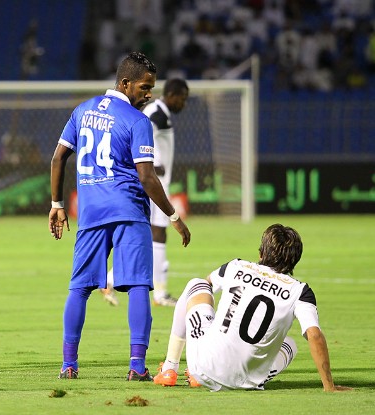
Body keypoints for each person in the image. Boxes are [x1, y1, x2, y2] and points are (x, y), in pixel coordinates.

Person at [48, 52, 191, 381]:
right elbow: (147, 177)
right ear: (125, 83)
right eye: (144, 86)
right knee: (140, 285)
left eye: (152, 88)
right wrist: (173, 216)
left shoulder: (82, 111)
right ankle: (137, 367)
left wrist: (57, 203)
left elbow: (58, 158)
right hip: (128, 210)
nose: (149, 94)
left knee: (79, 288)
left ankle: (69, 365)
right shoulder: (137, 121)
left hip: (91, 212)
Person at [153, 224, 351, 392]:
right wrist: (329, 386)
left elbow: (207, 286)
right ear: (295, 259)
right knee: (290, 345)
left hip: (203, 365)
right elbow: (314, 335)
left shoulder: (237, 266)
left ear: (261, 253)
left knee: (196, 284)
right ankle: (254, 376)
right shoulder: (301, 291)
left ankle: (170, 367)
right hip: (245, 383)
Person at [102, 79, 190, 307]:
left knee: (149, 236)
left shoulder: (161, 113)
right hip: (152, 183)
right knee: (156, 234)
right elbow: (136, 135)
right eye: (182, 97)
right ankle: (157, 293)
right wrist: (149, 164)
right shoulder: (155, 113)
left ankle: (112, 279)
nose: (184, 103)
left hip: (157, 182)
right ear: (171, 94)